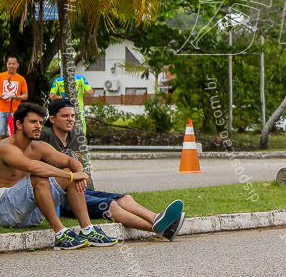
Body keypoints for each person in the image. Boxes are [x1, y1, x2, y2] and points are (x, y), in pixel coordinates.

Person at [40, 99, 185, 240]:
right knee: (112, 206)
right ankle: (162, 229)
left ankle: (157, 218)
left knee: (125, 198)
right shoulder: (45, 135)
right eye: (65, 116)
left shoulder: (74, 136)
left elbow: (78, 164)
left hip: (80, 188)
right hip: (61, 195)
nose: (70, 119)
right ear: (52, 119)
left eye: (72, 116)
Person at [0, 102, 116, 249]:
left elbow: (71, 161)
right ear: (19, 124)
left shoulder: (39, 147)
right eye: (33, 122)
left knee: (68, 171)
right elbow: (33, 167)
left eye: (40, 122)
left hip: (31, 215)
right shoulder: (5, 148)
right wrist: (71, 177)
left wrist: (78, 173)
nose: (39, 126)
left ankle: (88, 230)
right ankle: (60, 234)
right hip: (1, 213)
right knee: (41, 176)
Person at [0, 55, 28, 144]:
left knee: (15, 133)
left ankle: (13, 152)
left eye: (13, 64)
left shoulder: (21, 79)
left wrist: (16, 97)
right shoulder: (0, 76)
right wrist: (0, 96)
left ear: (17, 65)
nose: (11, 66)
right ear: (6, 64)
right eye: (9, 64)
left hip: (14, 110)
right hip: (0, 109)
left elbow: (25, 95)